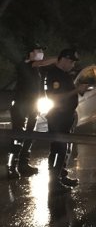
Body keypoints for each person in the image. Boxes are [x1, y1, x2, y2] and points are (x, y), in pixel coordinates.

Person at [6, 43, 57, 178]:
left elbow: (39, 88)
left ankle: (23, 164)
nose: (41, 53)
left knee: (30, 135)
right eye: (38, 50)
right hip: (20, 106)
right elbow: (42, 62)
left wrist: (42, 102)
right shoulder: (25, 65)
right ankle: (11, 166)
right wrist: (59, 58)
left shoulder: (37, 70)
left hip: (32, 107)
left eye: (41, 50)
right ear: (30, 53)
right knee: (18, 136)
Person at [43, 49, 89, 192]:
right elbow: (55, 97)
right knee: (58, 150)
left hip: (67, 115)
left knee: (65, 149)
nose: (72, 65)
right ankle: (54, 182)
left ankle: (61, 176)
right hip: (58, 117)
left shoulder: (64, 75)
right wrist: (76, 91)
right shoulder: (54, 75)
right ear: (63, 59)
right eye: (71, 61)